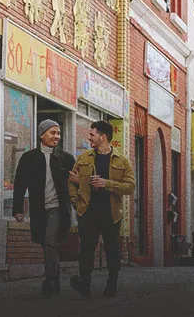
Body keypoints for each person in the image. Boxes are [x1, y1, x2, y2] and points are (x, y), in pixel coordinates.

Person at [68, 120, 135, 297]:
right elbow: (71, 181)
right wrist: (76, 203)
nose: (89, 137)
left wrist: (107, 184)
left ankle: (111, 283)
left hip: (111, 212)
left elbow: (130, 186)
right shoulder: (84, 158)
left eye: (92, 134)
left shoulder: (122, 160)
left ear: (103, 137)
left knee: (112, 248)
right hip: (88, 211)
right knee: (87, 248)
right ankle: (85, 284)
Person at [12, 119, 75, 297]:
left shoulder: (66, 158)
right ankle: (55, 277)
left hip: (58, 208)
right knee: (46, 243)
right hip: (39, 209)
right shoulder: (29, 158)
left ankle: (49, 280)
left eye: (58, 133)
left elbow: (77, 182)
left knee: (50, 240)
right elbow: (20, 184)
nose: (57, 137)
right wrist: (17, 209)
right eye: (52, 133)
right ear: (42, 135)